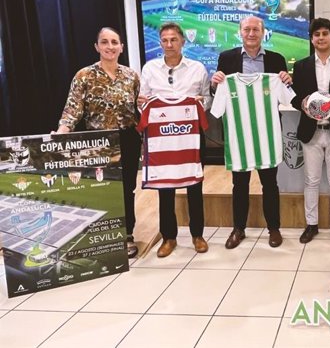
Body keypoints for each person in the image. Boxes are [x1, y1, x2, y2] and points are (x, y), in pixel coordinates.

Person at [56, 27, 141, 258]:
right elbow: (72, 109)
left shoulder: (132, 76)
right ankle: (102, 236)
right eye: (105, 42)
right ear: (97, 47)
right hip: (98, 141)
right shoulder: (84, 75)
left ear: (121, 47)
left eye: (114, 42)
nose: (110, 46)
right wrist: (63, 131)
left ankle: (126, 235)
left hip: (128, 139)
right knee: (102, 188)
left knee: (127, 189)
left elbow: (139, 108)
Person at [210, 15, 293, 249]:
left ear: (263, 32)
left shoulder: (277, 60)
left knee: (270, 184)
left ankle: (274, 228)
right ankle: (239, 229)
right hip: (239, 136)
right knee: (240, 185)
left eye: (256, 29)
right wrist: (215, 83)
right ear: (240, 32)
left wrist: (287, 81)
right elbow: (216, 92)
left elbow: (286, 94)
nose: (251, 33)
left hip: (267, 134)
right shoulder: (226, 58)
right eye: (247, 29)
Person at [137, 22, 211, 258]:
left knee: (194, 185)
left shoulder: (198, 68)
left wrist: (199, 103)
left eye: (174, 40)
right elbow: (142, 103)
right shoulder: (149, 69)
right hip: (161, 137)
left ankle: (197, 235)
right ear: (160, 43)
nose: (169, 44)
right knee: (164, 188)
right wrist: (143, 105)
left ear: (182, 42)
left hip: (190, 136)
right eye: (165, 40)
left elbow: (207, 100)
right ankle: (169, 237)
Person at [290, 18, 330, 244]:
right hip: (311, 131)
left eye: (325, 34)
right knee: (311, 180)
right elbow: (294, 97)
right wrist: (303, 102)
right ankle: (311, 224)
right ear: (311, 39)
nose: (321, 38)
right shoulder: (301, 66)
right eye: (316, 34)